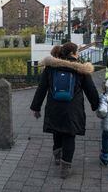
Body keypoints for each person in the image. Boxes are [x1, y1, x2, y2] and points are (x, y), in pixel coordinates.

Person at [30, 42, 99, 179]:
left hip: (54, 107)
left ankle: (57, 155)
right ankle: (65, 167)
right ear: (73, 53)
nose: (78, 54)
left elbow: (41, 88)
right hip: (73, 109)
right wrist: (96, 106)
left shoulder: (51, 68)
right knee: (69, 135)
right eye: (77, 52)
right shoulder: (81, 70)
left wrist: (36, 107)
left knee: (57, 130)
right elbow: (91, 90)